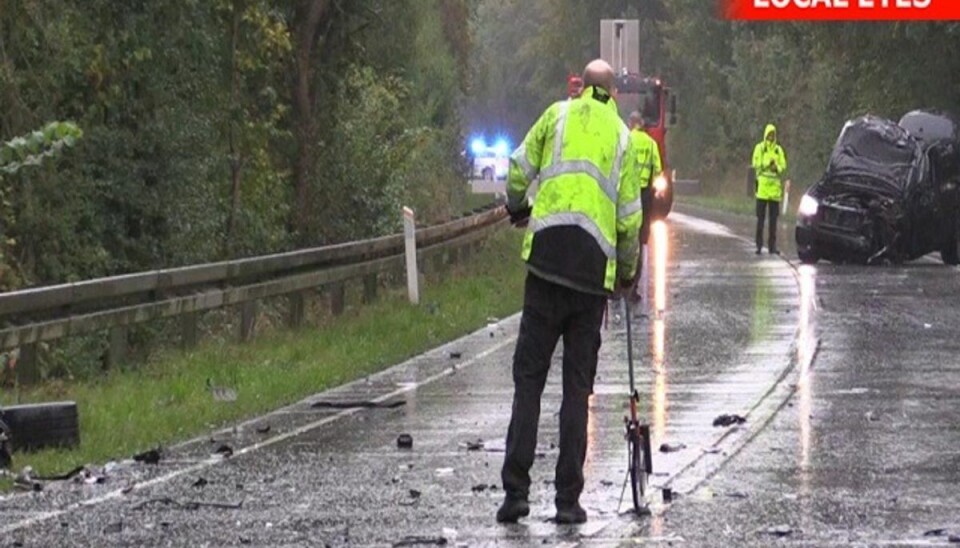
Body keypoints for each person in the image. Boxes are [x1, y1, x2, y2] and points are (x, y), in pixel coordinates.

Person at [497, 59, 643, 525]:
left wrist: (519, 206)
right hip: (588, 279)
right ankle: (566, 501)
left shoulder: (556, 115)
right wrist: (626, 274)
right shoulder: (622, 137)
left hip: (544, 267)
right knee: (576, 391)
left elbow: (518, 168)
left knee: (528, 382)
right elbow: (629, 220)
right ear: (612, 94)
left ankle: (516, 494)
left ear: (582, 87)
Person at [626, 111, 662, 311]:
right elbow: (657, 169)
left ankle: (616, 287)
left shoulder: (625, 139)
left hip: (627, 193)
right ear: (642, 123)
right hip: (645, 195)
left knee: (623, 233)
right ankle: (634, 287)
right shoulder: (650, 143)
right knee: (640, 239)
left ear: (631, 124)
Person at [752, 124, 788, 255]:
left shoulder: (778, 150)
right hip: (762, 191)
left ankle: (772, 247)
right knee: (760, 219)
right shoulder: (760, 148)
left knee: (773, 221)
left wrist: (776, 168)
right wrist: (768, 164)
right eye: (769, 134)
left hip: (774, 192)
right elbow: (756, 163)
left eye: (773, 135)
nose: (771, 137)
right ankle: (759, 245)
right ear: (765, 135)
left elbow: (783, 165)